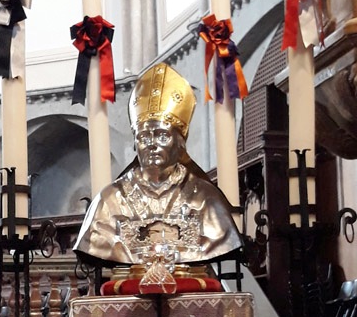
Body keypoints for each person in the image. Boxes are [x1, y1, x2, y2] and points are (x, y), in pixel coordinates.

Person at [73, 62, 242, 265]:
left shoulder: (206, 197)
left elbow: (223, 241)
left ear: (180, 143)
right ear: (135, 143)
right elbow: (96, 242)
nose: (152, 144)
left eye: (162, 136)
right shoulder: (109, 200)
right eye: (144, 137)